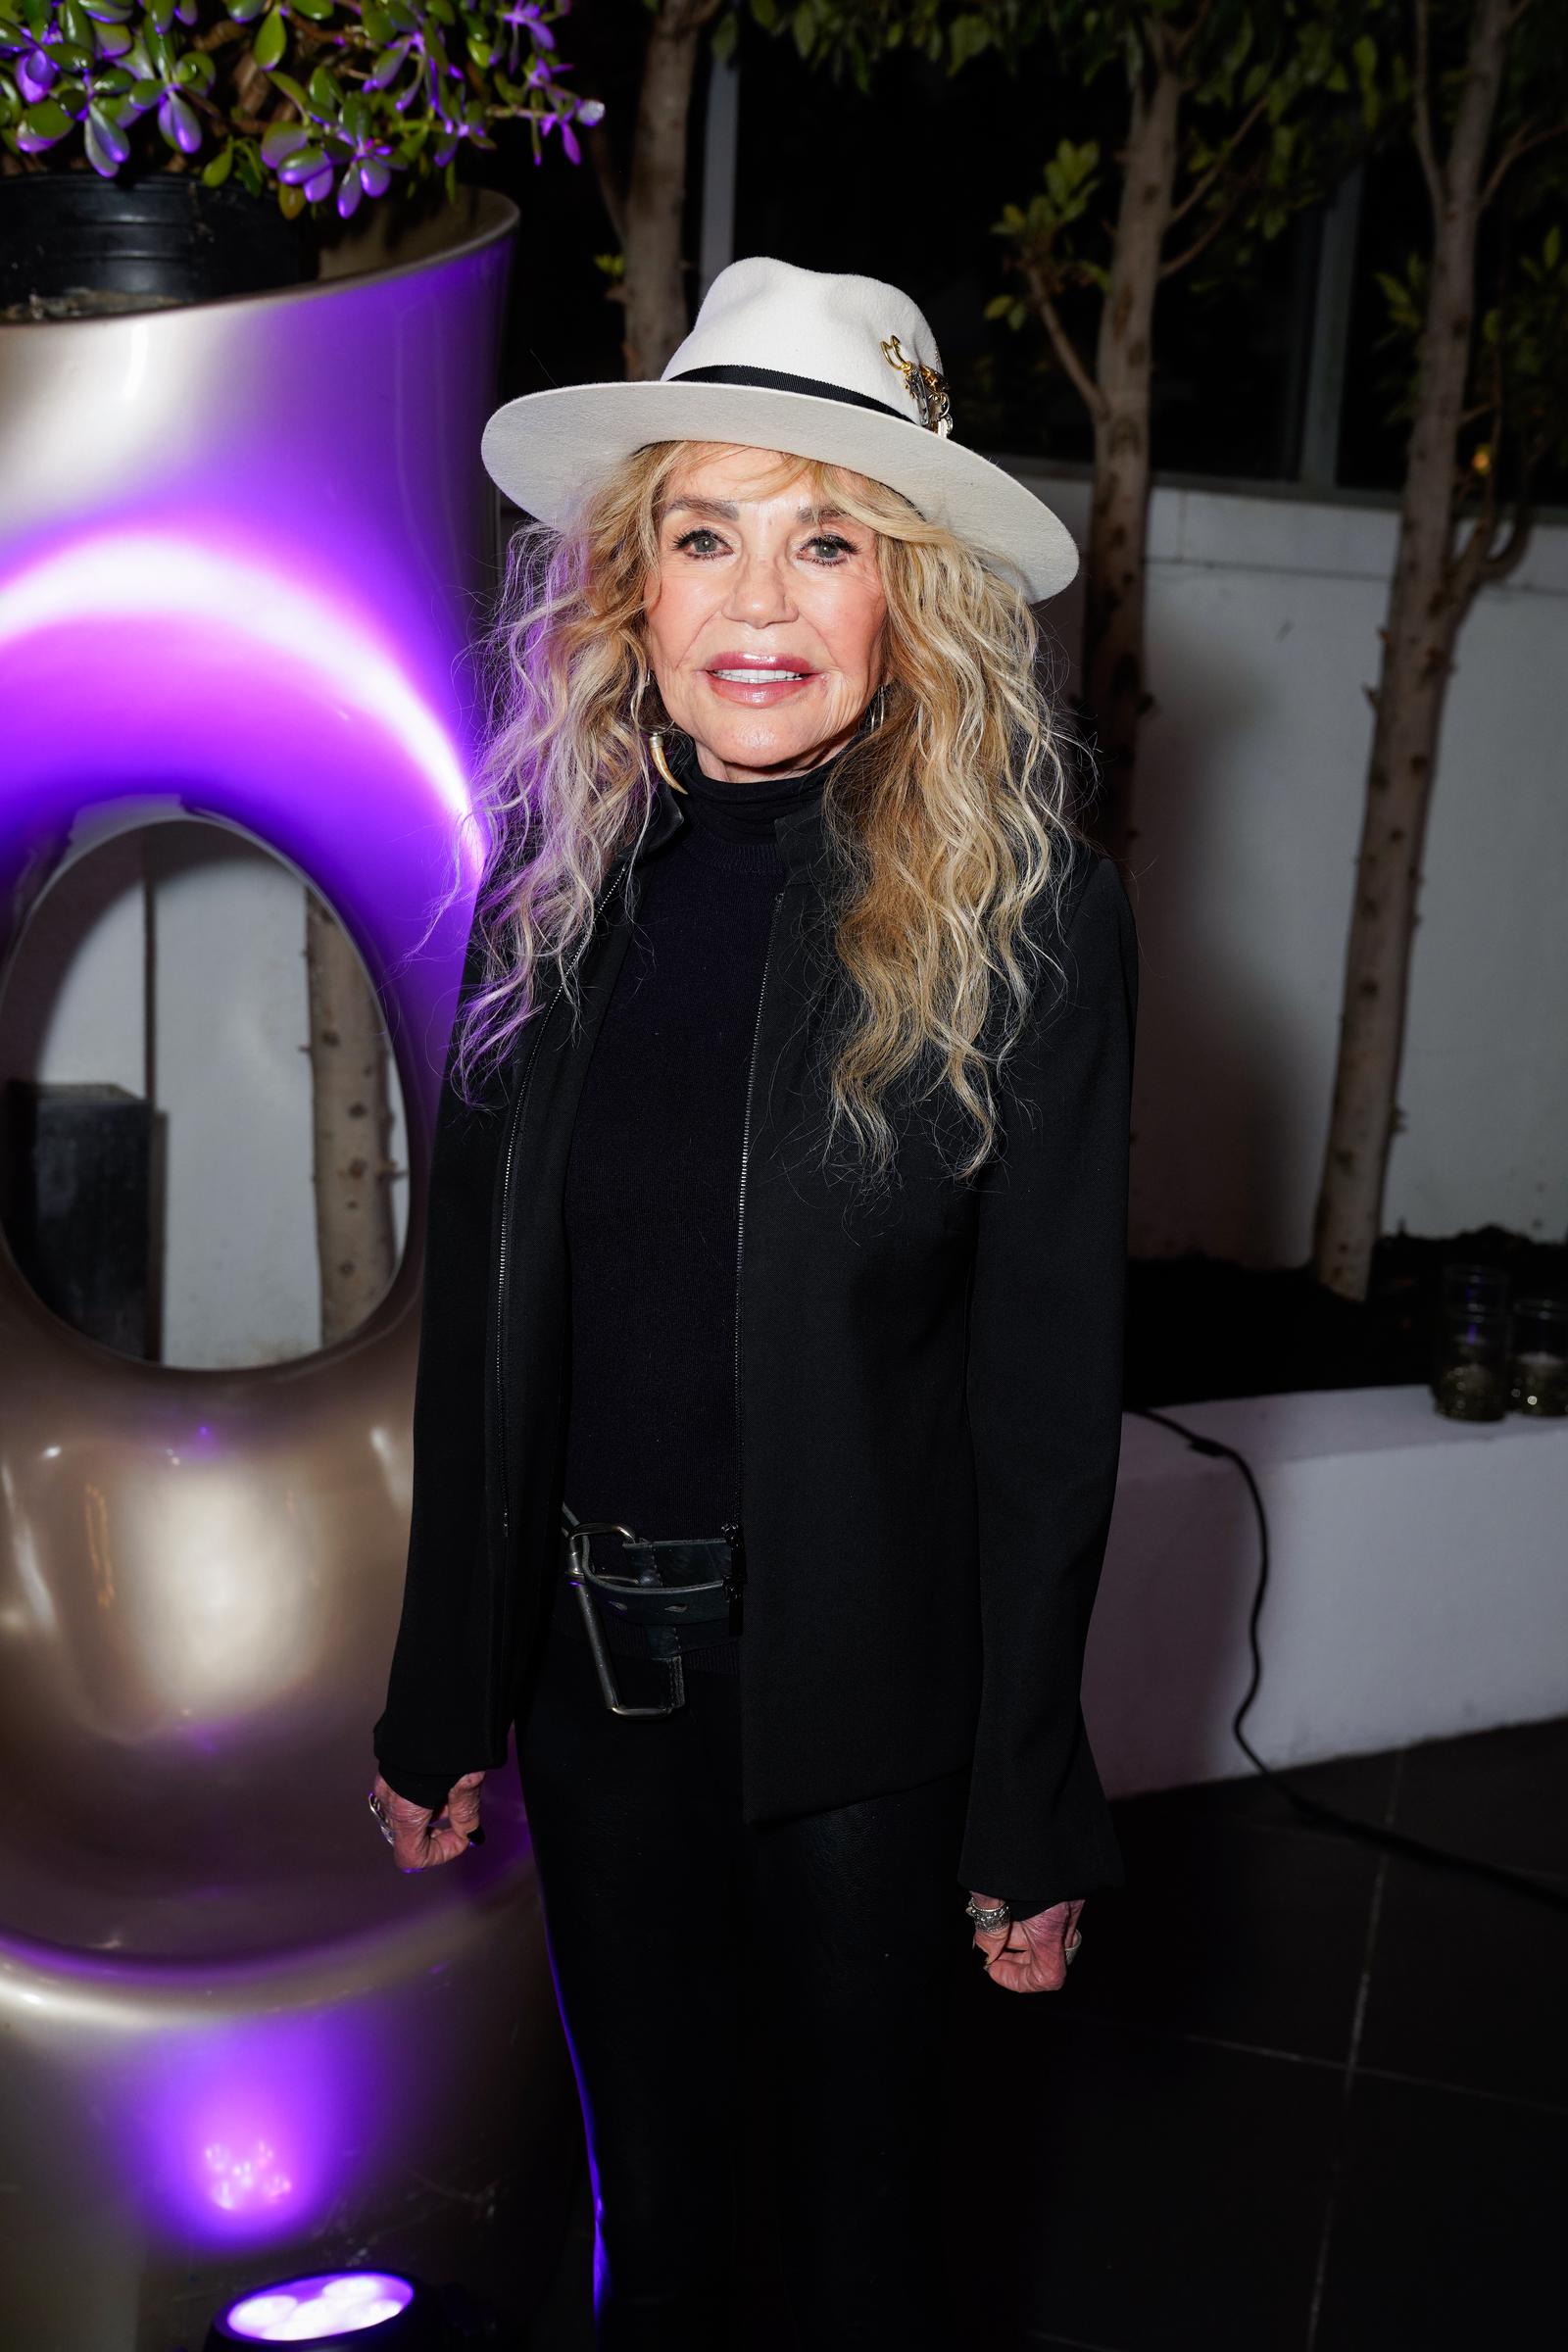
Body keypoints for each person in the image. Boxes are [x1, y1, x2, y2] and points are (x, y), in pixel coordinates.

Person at [368, 256, 1139, 2348]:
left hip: (864, 1720)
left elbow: (1045, 1400)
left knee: (858, 2246)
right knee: (655, 2223)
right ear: (629, 589)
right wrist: (450, 1679)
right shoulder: (553, 868)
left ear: (909, 601)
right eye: (705, 535)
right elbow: (490, 1320)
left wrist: (1023, 1798)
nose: (761, 601)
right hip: (595, 1696)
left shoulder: (1027, 915)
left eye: (828, 542)